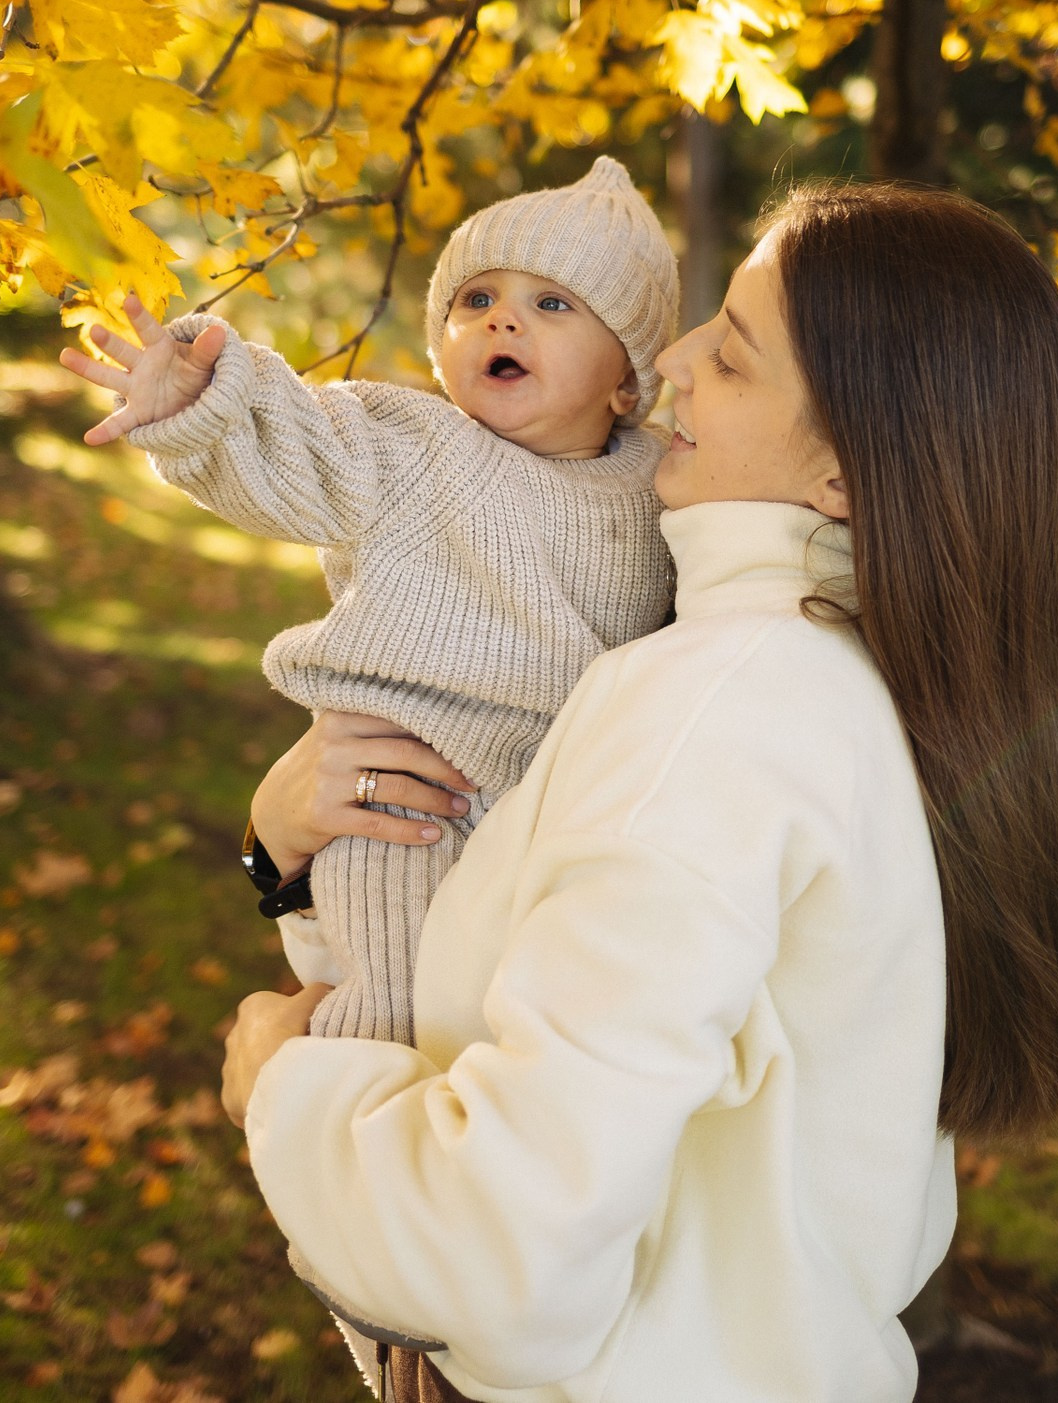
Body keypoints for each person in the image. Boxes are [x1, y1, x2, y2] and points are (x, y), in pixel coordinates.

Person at [221, 182, 1058, 1403]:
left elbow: (492, 1249)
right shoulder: (833, 676)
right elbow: (492, 970)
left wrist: (281, 1086)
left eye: (736, 357)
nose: (674, 362)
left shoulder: (717, 710)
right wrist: (278, 851)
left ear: (845, 479)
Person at [58, 156, 682, 1055]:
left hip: (552, 802)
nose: (503, 316)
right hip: (404, 792)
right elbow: (295, 444)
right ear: (439, 348)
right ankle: (350, 1103)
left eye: (554, 304)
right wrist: (202, 400)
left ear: (627, 382)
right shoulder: (409, 447)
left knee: (529, 1010)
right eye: (476, 300)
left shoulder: (658, 486)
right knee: (392, 989)